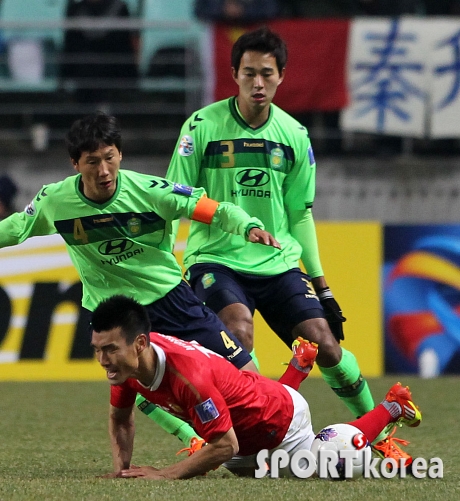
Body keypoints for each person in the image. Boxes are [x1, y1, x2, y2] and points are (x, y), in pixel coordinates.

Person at [164, 26, 410, 464]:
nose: (257, 83)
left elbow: (300, 215)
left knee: (326, 345)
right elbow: (177, 198)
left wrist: (323, 284)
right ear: (234, 74)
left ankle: (377, 433)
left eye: (267, 74)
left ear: (281, 77)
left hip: (278, 263)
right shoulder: (200, 127)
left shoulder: (294, 135)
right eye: (248, 73)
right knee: (237, 335)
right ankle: (239, 437)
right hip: (216, 258)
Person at [0, 111, 281, 451]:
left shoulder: (151, 192)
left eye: (109, 158)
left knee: (247, 370)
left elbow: (214, 209)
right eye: (92, 162)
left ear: (120, 154)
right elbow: (14, 228)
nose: (103, 171)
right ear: (75, 163)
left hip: (170, 299)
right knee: (132, 381)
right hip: (116, 314)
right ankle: (192, 439)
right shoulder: (55, 201)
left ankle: (279, 431)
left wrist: (247, 226)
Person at [91, 295, 422, 480]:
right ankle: (298, 368)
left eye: (109, 350)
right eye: (97, 349)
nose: (102, 360)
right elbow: (120, 417)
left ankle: (393, 405)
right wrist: (123, 472)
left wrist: (165, 474)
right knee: (240, 465)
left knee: (339, 463)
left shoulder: (189, 376)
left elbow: (224, 446)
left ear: (139, 343)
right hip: (243, 435)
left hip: (282, 425)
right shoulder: (128, 367)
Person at [61, 0, 138, 104]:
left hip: (112, 73)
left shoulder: (119, 8)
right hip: (83, 77)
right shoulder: (76, 10)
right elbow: (69, 47)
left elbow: (125, 47)